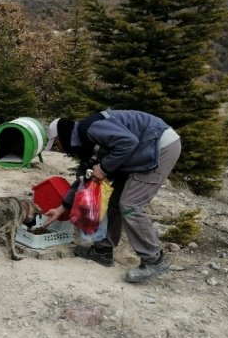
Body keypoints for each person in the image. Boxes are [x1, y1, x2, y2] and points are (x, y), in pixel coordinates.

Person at [43, 110, 181, 283]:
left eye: (56, 144)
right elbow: (84, 180)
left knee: (130, 204)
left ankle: (154, 259)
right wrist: (62, 208)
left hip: (158, 147)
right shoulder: (86, 147)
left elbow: (128, 142)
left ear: (61, 136)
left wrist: (104, 168)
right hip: (140, 151)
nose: (59, 148)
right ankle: (103, 251)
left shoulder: (89, 128)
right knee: (113, 198)